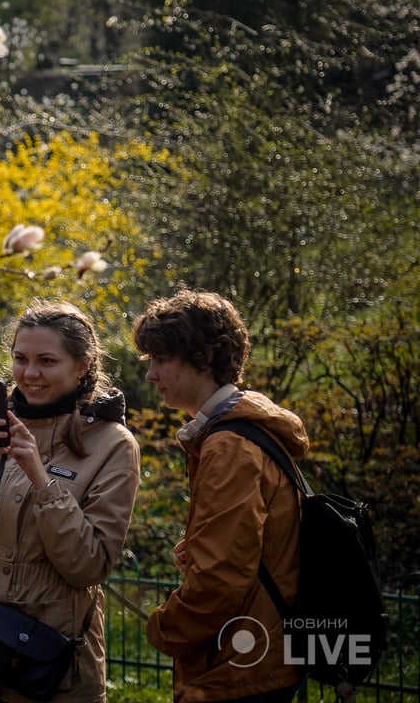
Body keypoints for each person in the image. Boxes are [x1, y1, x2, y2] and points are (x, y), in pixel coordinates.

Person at [0, 298, 141, 703]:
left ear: (82, 366)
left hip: (47, 662)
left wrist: (41, 480)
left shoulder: (112, 445)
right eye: (20, 358)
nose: (29, 374)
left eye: (46, 361)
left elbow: (88, 565)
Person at [132, 289, 309, 703]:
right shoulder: (238, 429)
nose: (150, 375)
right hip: (255, 652)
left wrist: (164, 627)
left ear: (204, 359)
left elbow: (221, 578)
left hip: (240, 662)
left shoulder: (229, 445)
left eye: (161, 360)